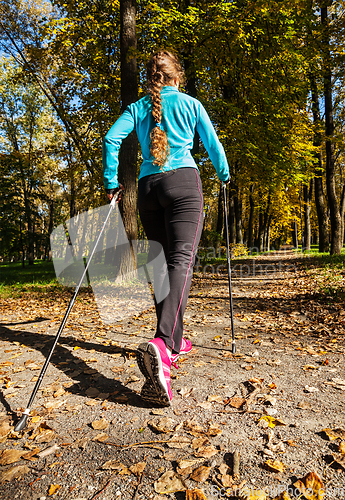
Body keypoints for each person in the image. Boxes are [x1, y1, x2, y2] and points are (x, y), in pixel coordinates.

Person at [103, 50, 230, 406]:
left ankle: (175, 338)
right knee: (181, 261)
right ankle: (162, 344)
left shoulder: (137, 108)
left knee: (161, 265)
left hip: (147, 188)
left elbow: (111, 140)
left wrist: (112, 181)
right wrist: (223, 174)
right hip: (183, 184)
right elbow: (213, 144)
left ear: (152, 79)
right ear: (177, 77)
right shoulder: (191, 104)